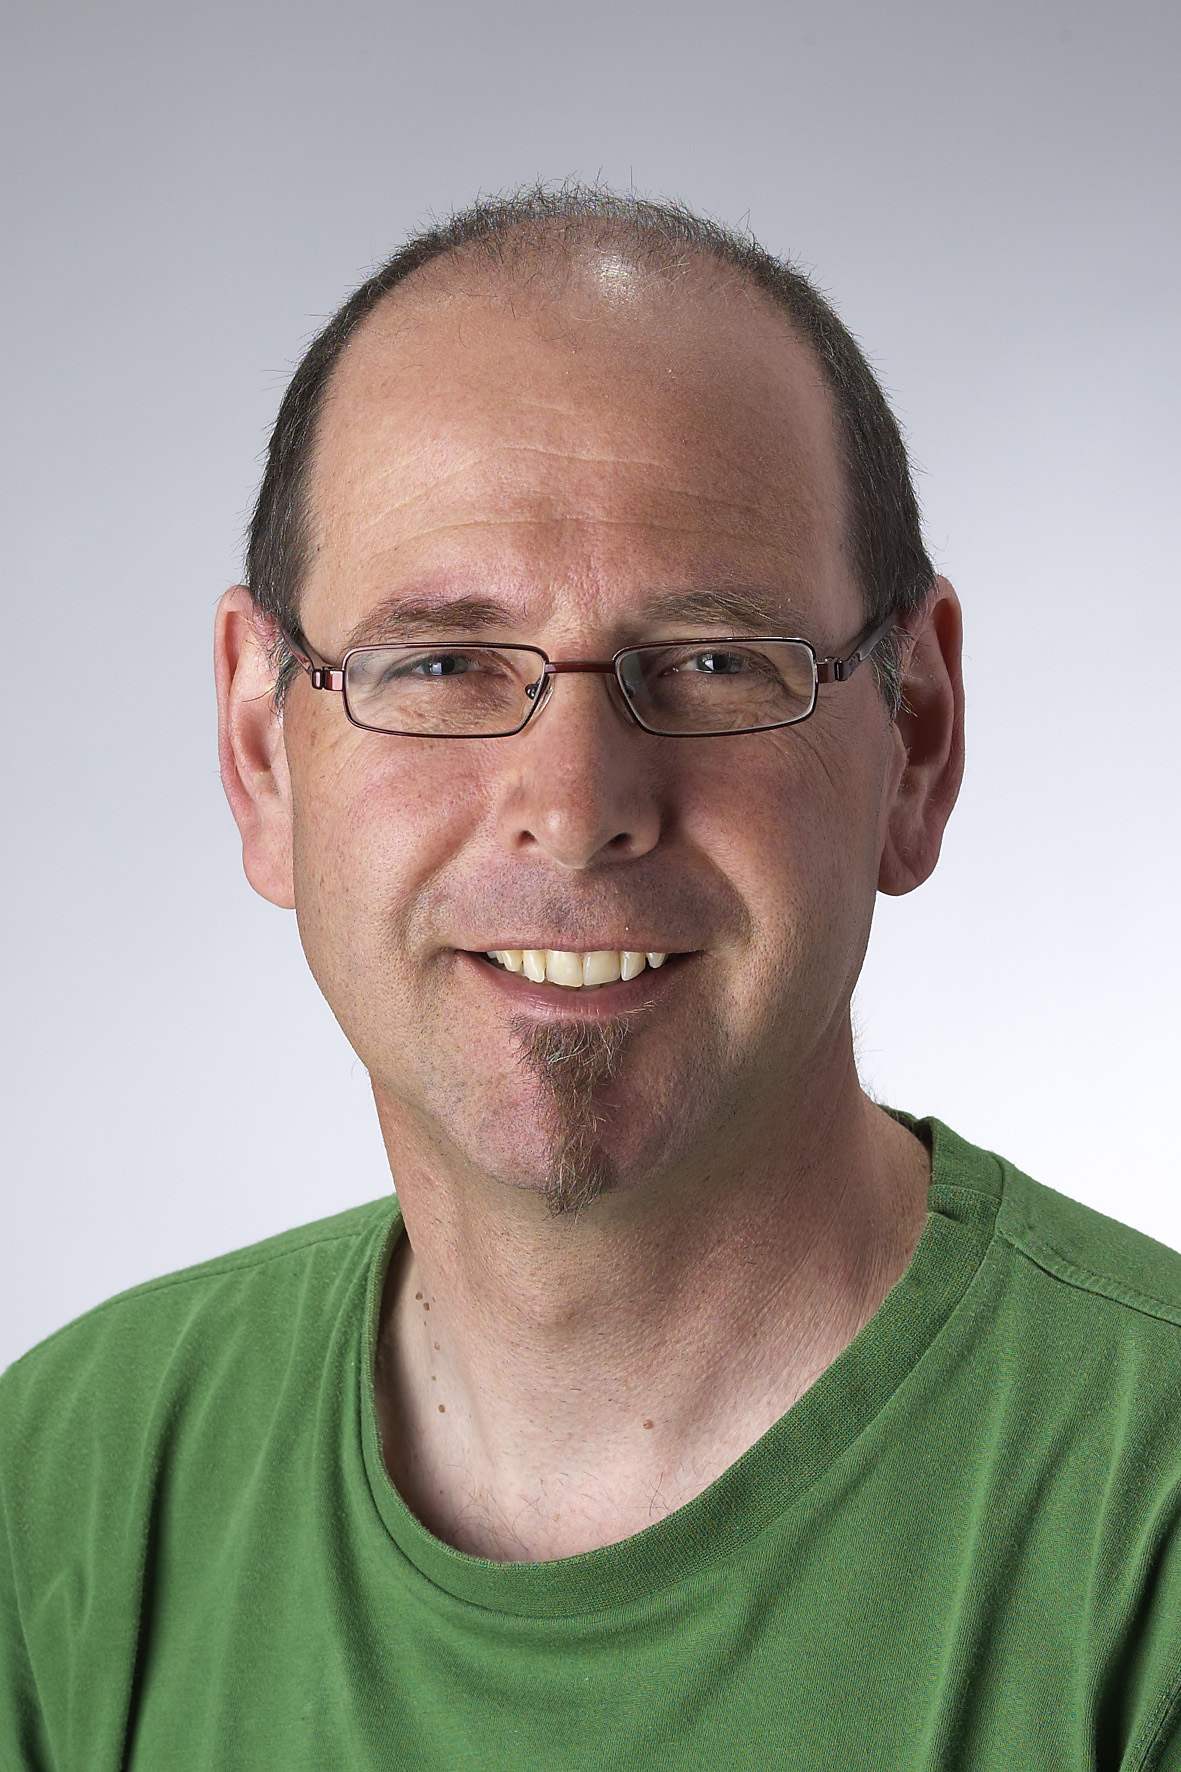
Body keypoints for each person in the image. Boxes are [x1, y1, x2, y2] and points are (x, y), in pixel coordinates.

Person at [3, 187, 1180, 1771]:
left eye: (709, 662)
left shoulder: (1145, 1528)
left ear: (913, 736)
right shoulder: (65, 1494)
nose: (573, 803)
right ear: (259, 751)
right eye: (437, 662)